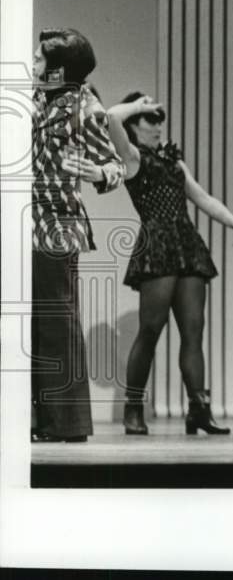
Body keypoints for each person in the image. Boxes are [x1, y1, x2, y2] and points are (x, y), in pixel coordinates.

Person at [107, 92, 233, 435]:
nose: (158, 125)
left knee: (193, 331)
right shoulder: (132, 157)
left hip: (187, 245)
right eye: (150, 119)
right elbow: (111, 117)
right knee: (151, 329)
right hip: (158, 246)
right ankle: (133, 409)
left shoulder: (174, 162)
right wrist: (139, 105)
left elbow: (203, 197)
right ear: (135, 124)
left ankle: (199, 410)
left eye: (159, 119)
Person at [31, 28, 127, 442]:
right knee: (31, 325)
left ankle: (67, 424)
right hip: (26, 222)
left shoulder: (87, 110)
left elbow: (116, 165)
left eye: (39, 59)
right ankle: (37, 419)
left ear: (58, 70)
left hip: (58, 226)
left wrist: (99, 172)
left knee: (58, 324)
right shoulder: (37, 98)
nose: (33, 64)